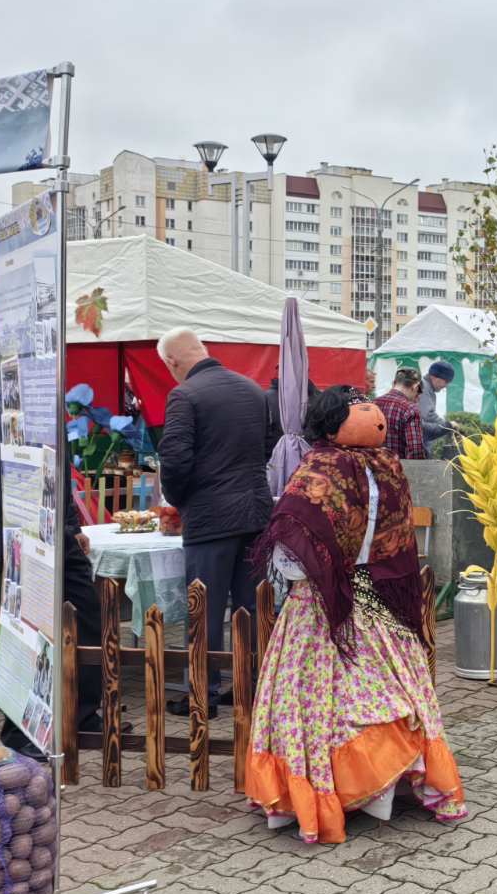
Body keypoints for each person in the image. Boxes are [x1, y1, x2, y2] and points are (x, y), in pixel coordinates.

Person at [244, 387, 466, 843]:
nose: (374, 416)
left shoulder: (322, 467)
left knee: (314, 699)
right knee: (388, 686)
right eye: (361, 410)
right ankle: (382, 784)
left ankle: (333, 789)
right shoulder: (388, 466)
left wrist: (320, 568)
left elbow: (293, 547)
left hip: (323, 601)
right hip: (376, 593)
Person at [0, 387, 104, 755]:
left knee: (86, 615)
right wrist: (15, 535)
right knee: (28, 630)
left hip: (56, 529)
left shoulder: (45, 391)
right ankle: (20, 732)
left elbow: (57, 468)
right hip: (24, 531)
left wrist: (72, 525)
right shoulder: (2, 401)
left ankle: (81, 714)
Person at [157, 329, 272, 712]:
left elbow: (174, 459)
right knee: (250, 608)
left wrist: (179, 500)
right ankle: (251, 688)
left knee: (204, 609)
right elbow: (266, 447)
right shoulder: (252, 390)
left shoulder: (185, 395)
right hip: (255, 513)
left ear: (172, 361)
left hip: (210, 518)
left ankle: (202, 694)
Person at [373, 368, 428, 460]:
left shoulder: (372, 403)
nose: (417, 397)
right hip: (397, 467)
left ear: (394, 383)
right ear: (415, 387)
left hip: (373, 466)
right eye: (418, 392)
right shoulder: (410, 409)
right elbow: (415, 451)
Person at [417, 361, 456, 450]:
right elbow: (427, 415)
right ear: (434, 377)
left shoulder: (427, 387)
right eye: (446, 382)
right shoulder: (424, 388)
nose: (446, 386)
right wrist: (447, 425)